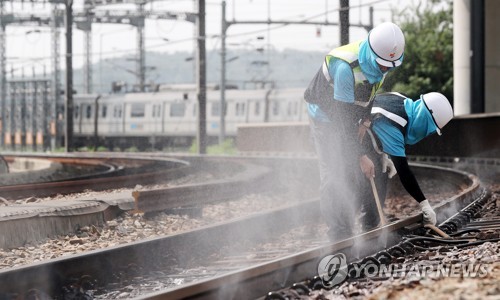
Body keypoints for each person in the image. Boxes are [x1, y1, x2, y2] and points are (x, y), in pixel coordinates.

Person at [304, 22, 405, 240]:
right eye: (383, 65)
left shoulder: (380, 64)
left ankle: (365, 224)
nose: (386, 69)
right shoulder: (345, 69)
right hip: (325, 116)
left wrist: (365, 123)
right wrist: (360, 156)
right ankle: (339, 233)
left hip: (349, 115)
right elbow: (342, 120)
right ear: (372, 53)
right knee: (336, 171)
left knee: (365, 163)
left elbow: (368, 98)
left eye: (390, 66)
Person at [359, 91, 454, 229]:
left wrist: (382, 154)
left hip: (358, 141)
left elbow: (375, 126)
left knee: (381, 176)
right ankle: (363, 230)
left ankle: (369, 229)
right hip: (348, 143)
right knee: (368, 182)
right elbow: (404, 173)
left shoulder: (402, 100)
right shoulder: (396, 127)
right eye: (430, 128)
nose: (429, 133)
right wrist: (424, 204)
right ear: (425, 119)